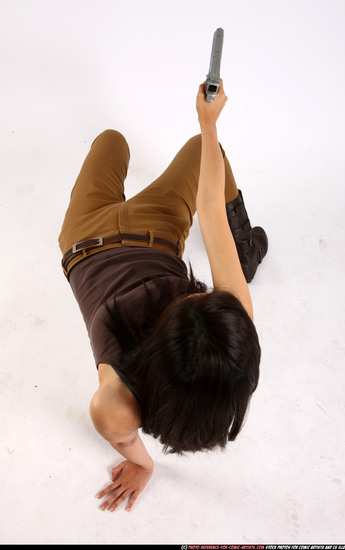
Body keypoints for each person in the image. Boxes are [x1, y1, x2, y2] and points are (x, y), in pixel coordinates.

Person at [58, 79, 268, 513]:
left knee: (111, 140)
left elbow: (123, 436)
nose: (206, 289)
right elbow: (209, 206)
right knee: (197, 148)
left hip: (84, 238)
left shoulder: (116, 406)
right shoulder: (233, 318)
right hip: (156, 233)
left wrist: (143, 466)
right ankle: (243, 249)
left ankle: (240, 243)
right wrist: (207, 125)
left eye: (196, 298)